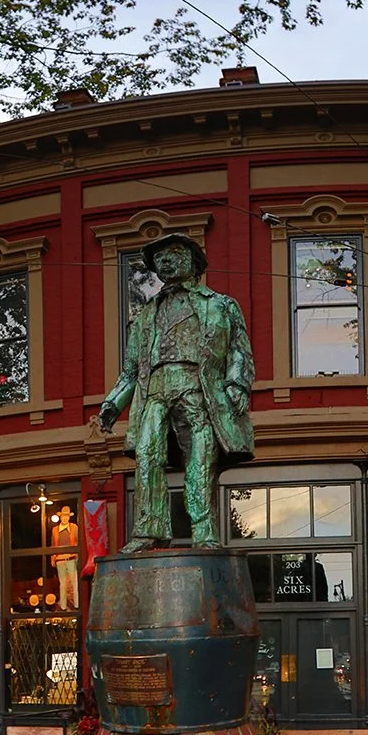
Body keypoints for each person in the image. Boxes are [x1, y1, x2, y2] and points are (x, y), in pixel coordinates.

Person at [96, 232, 256, 552]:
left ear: (193, 261)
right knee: (147, 455)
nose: (164, 260)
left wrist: (237, 384)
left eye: (173, 253)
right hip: (154, 392)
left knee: (201, 459)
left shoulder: (221, 305)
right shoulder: (145, 315)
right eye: (159, 257)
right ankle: (148, 530)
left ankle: (204, 531)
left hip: (199, 390)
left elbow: (239, 351)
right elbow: (130, 369)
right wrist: (113, 403)